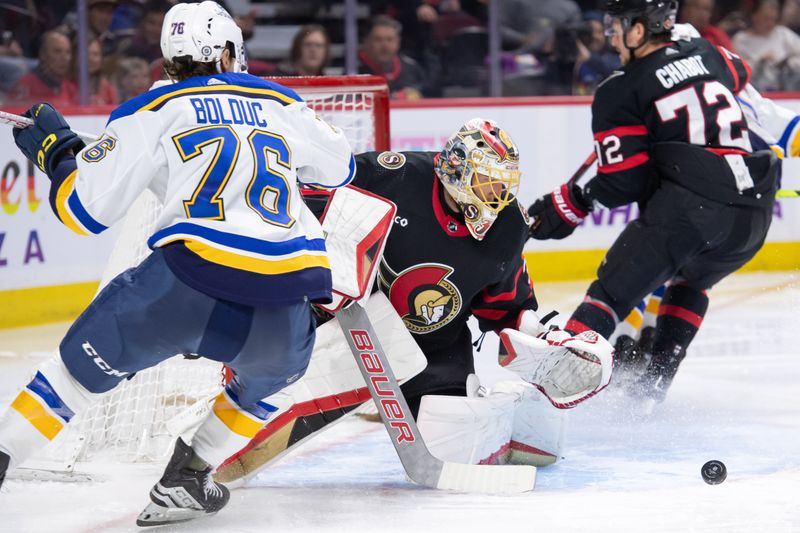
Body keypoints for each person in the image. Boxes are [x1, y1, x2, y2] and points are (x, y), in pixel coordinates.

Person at [0, 1, 355, 527]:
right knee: (263, 383)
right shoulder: (279, 101)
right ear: (229, 50)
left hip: (184, 288)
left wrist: (58, 151)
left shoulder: (152, 109)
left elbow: (84, 211)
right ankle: (188, 477)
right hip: (283, 309)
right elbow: (340, 167)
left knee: (70, 380)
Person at [212, 119, 613, 485]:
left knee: (451, 447)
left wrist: (543, 335)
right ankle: (226, 426)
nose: (499, 197)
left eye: (504, 186)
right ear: (457, 167)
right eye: (489, 183)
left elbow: (505, 304)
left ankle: (517, 409)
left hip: (435, 350)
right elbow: (313, 196)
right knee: (277, 367)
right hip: (351, 326)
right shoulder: (397, 175)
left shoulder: (507, 226)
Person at [528, 0, 778, 411]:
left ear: (640, 31)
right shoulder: (708, 53)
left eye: (616, 24)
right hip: (752, 215)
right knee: (691, 282)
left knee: (610, 293)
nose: (609, 33)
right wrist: (683, 59)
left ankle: (545, 398)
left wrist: (574, 201)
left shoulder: (619, 88)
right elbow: (740, 74)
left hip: (694, 207)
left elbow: (622, 181)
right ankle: (651, 392)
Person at [732, 0, 800, 91]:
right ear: (754, 15)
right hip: (755, 92)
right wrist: (759, 61)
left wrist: (787, 63)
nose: (770, 24)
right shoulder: (740, 40)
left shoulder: (784, 34)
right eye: (766, 19)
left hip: (785, 90)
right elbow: (736, 70)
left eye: (773, 19)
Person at [358, 15, 428, 100]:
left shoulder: (412, 70)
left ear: (398, 43)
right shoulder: (355, 72)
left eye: (390, 39)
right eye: (378, 39)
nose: (385, 45)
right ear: (367, 42)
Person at [6, 30, 78, 108]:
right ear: (43, 54)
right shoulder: (25, 87)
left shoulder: (71, 88)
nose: (64, 58)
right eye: (57, 51)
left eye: (68, 52)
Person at [72, 38, 118, 105]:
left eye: (95, 54)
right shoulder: (66, 86)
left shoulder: (107, 88)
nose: (91, 59)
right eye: (86, 54)